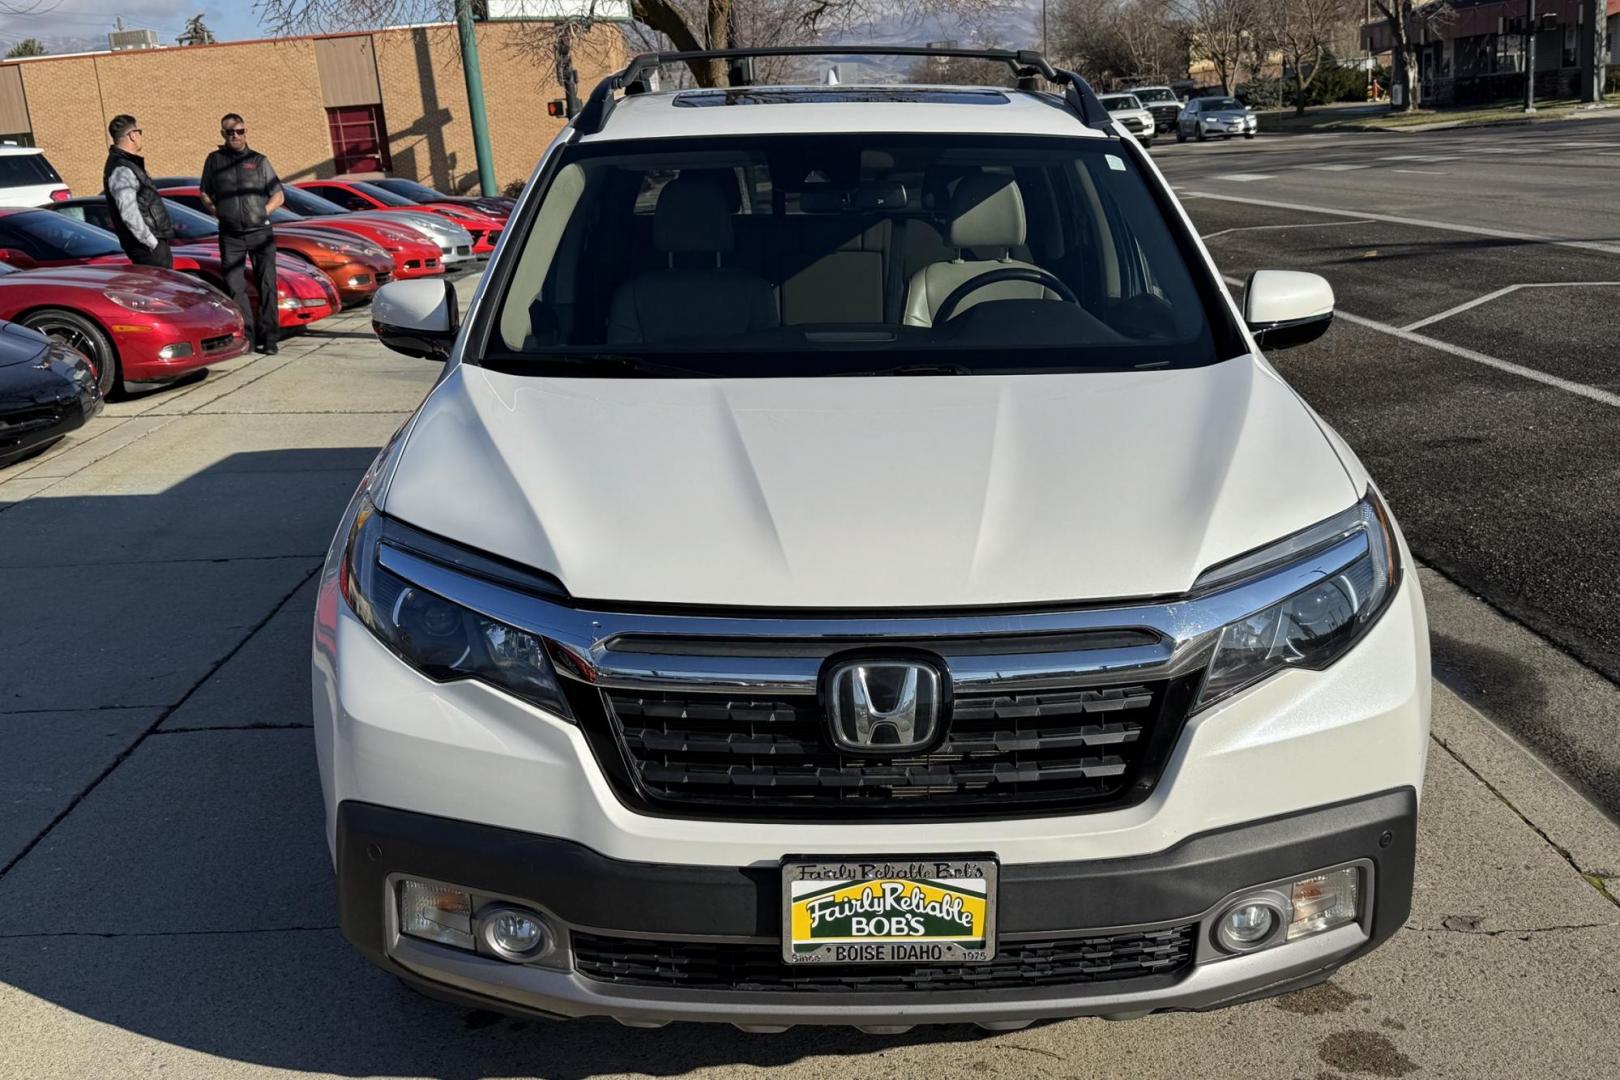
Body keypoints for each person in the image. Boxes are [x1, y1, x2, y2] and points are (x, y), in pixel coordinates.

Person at [200, 113, 285, 354]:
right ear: (223, 134)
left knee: (266, 284)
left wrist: (263, 212)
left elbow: (278, 195)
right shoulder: (214, 161)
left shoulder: (259, 161)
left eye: (240, 131)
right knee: (235, 286)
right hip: (231, 235)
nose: (236, 136)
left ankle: (270, 338)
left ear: (246, 132)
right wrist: (217, 211)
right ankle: (248, 335)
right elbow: (204, 192)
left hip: (260, 232)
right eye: (230, 132)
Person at [103, 114, 174, 270]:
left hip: (151, 244)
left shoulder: (128, 165)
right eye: (139, 132)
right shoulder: (121, 169)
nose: (140, 137)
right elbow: (129, 213)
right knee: (159, 290)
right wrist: (151, 242)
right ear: (132, 135)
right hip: (147, 248)